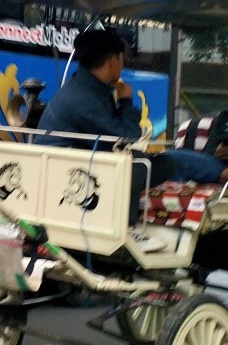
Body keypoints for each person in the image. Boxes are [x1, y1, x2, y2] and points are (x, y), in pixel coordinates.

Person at [35, 29, 174, 231]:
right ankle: (123, 227)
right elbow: (127, 136)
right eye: (122, 60)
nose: (122, 66)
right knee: (145, 165)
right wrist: (126, 101)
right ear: (112, 61)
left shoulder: (86, 87)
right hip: (69, 172)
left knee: (157, 161)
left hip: (77, 161)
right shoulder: (83, 97)